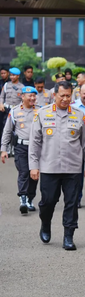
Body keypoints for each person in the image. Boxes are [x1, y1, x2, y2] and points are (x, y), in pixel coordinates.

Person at [29, 81, 85, 250]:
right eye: (62, 95)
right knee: (48, 202)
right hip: (49, 167)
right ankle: (45, 223)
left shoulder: (79, 115)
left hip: (73, 168)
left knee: (72, 203)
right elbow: (35, 142)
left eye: (68, 96)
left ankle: (68, 236)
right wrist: (33, 166)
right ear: (54, 95)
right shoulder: (42, 114)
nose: (65, 99)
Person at [1, 86, 39, 214]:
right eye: (30, 95)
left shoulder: (40, 111)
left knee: (34, 175)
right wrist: (4, 149)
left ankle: (30, 198)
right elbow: (7, 130)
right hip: (21, 147)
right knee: (23, 172)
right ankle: (23, 198)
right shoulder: (15, 112)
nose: (33, 98)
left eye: (34, 96)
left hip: (36, 148)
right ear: (23, 97)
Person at [0, 67, 25, 146]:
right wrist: (1, 104)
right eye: (11, 75)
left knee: (16, 128)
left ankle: (14, 147)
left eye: (14, 75)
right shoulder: (6, 85)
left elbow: (23, 99)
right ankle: (6, 146)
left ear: (18, 76)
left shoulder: (22, 87)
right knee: (6, 128)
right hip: (7, 109)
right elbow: (2, 96)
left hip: (16, 110)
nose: (12, 77)